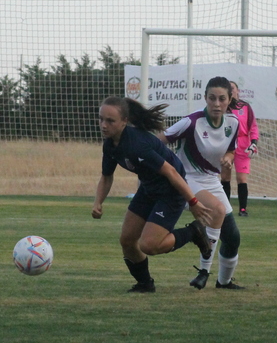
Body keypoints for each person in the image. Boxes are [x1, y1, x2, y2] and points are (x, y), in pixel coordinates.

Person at [92, 96, 223, 293]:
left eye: (110, 121)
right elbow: (107, 176)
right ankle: (145, 284)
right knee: (127, 241)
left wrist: (193, 202)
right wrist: (98, 202)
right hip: (149, 189)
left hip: (171, 192)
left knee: (149, 245)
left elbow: (172, 172)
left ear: (124, 122)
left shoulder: (137, 144)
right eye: (101, 119)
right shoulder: (110, 144)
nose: (104, 125)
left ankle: (193, 232)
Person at [164, 76, 245, 290]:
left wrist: (229, 157)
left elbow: (231, 148)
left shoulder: (233, 123)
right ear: (205, 98)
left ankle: (224, 282)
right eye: (212, 98)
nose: (216, 104)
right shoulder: (191, 122)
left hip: (211, 181)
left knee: (233, 237)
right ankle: (204, 271)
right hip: (188, 179)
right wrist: (165, 170)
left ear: (229, 99)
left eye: (221, 99)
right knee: (217, 210)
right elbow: (159, 141)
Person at [220, 81, 260, 216]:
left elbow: (253, 127)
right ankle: (225, 208)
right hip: (226, 144)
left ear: (237, 91)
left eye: (232, 88)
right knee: (225, 177)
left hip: (243, 144)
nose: (231, 91)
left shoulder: (245, 107)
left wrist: (253, 143)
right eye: (228, 89)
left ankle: (243, 209)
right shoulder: (222, 107)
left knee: (242, 179)